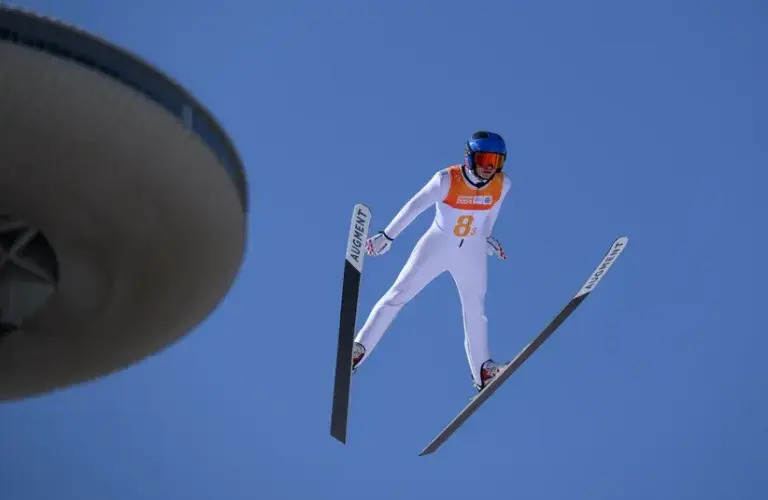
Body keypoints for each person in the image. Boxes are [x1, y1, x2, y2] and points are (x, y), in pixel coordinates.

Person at [352, 131, 513, 391]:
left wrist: (486, 239)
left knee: (475, 310)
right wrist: (388, 236)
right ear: (470, 157)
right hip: (438, 244)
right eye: (484, 159)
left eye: (496, 161)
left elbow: (490, 215)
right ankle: (358, 349)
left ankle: (483, 371)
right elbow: (415, 206)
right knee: (398, 294)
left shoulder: (501, 185)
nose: (489, 168)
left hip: (470, 251)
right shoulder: (446, 180)